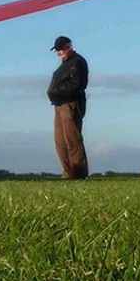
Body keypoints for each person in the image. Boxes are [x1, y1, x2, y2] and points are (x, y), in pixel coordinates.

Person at [46, 35, 89, 179]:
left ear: (69, 47)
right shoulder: (65, 64)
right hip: (59, 104)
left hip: (70, 103)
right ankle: (68, 173)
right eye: (57, 50)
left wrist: (57, 92)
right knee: (60, 141)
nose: (60, 52)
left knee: (72, 139)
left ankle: (79, 173)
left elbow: (77, 85)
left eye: (62, 49)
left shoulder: (77, 62)